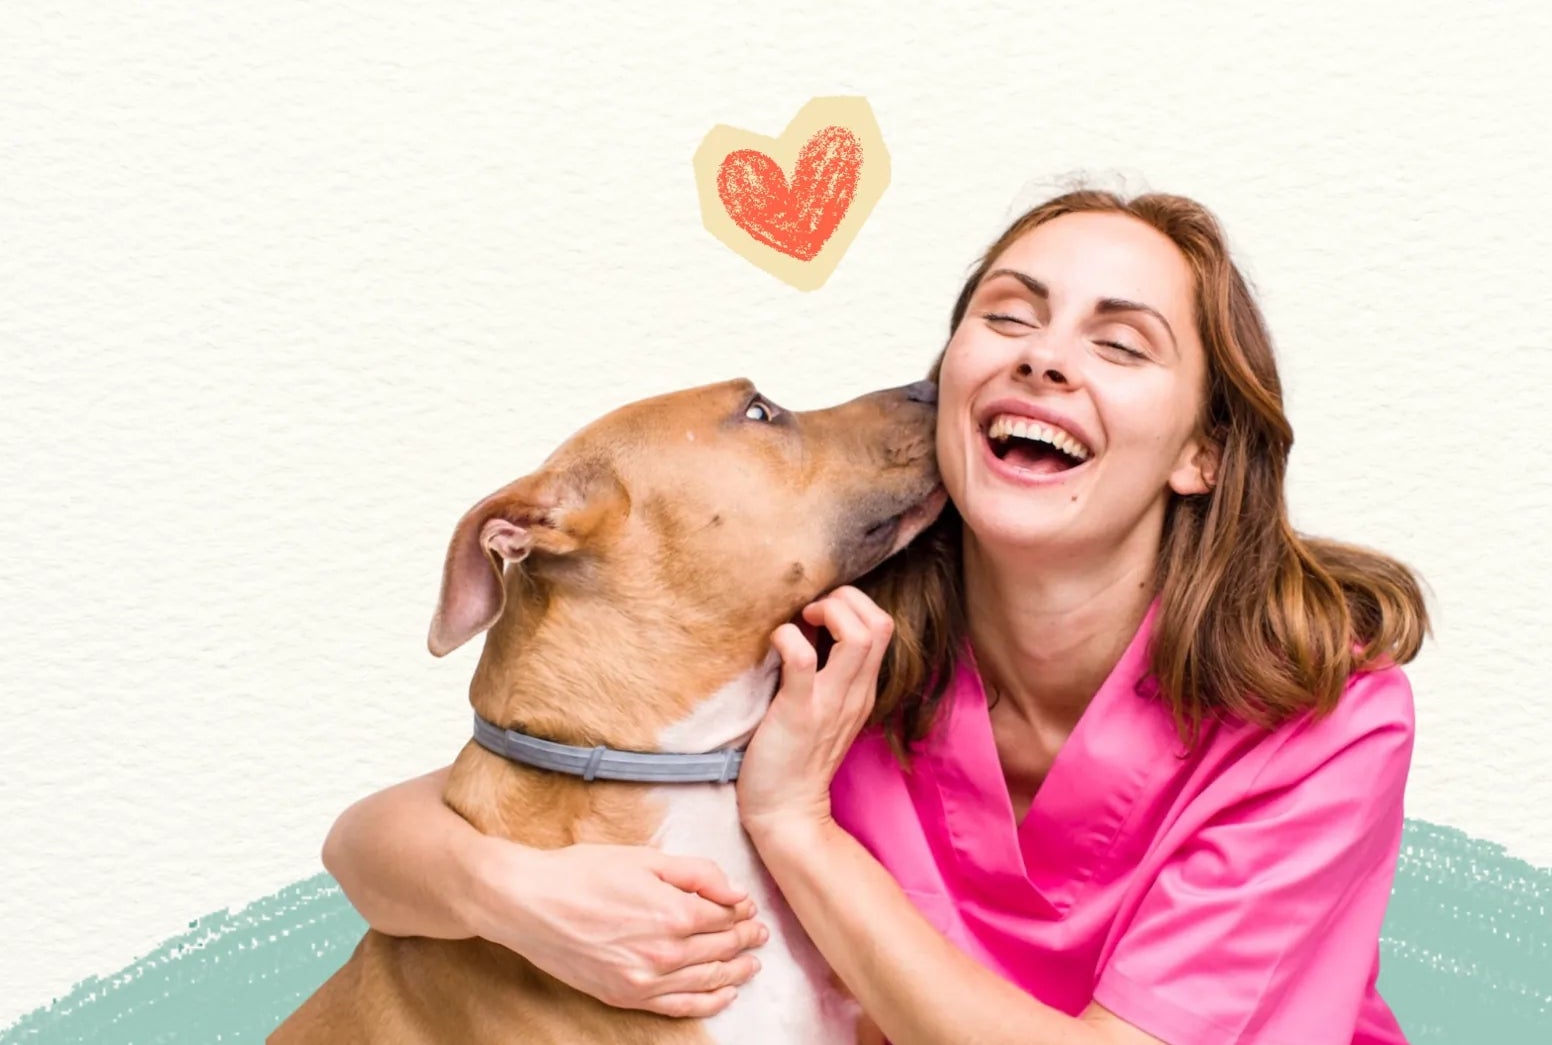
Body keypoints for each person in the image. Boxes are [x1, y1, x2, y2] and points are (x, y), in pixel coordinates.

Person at [322, 188, 1430, 1044]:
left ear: (1202, 452)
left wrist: (797, 822)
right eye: (1009, 315)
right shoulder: (835, 636)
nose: (1044, 354)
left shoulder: (1325, 714)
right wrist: (510, 894)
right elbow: (399, 829)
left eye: (1120, 343)